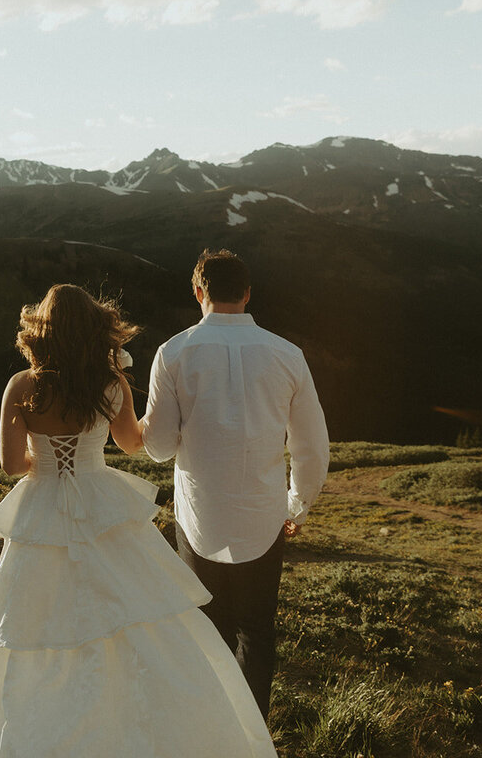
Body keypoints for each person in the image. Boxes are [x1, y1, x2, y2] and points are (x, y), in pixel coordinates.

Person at [0, 283, 277, 758]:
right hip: (102, 501)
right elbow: (131, 443)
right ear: (95, 328)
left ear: (39, 330)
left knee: (37, 618)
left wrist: (43, 460)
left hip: (41, 507)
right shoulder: (111, 384)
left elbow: (9, 465)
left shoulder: (22, 387)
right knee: (133, 612)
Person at [140, 248, 330, 719]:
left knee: (206, 629)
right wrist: (297, 507)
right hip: (264, 518)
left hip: (198, 517)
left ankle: (207, 730)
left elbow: (159, 447)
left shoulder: (173, 353)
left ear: (197, 291)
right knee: (256, 631)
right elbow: (312, 448)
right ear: (247, 294)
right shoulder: (289, 355)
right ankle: (252, 738)